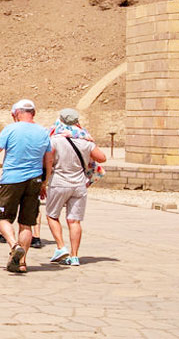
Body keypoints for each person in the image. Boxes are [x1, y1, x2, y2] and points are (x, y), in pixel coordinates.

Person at [0, 99, 53, 274]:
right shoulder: (43, 132)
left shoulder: (10, 129)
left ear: (16, 113)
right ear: (33, 113)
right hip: (35, 180)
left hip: (12, 179)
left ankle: (14, 245)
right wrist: (44, 183)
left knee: (1, 217)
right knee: (26, 223)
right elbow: (49, 160)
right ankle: (21, 263)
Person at [46, 109, 106, 266]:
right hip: (79, 184)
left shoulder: (55, 140)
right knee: (74, 221)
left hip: (59, 182)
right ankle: (74, 256)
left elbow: (48, 160)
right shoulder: (86, 141)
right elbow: (102, 158)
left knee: (52, 215)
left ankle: (61, 247)